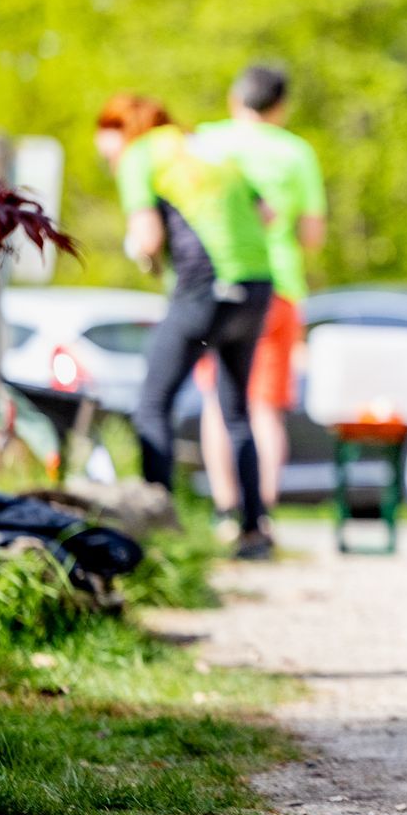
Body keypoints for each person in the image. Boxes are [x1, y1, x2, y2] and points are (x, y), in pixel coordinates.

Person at [93, 93, 275, 559]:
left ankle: (158, 535)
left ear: (124, 133)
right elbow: (266, 212)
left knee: (152, 404)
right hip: (255, 288)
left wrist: (147, 256)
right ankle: (255, 530)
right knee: (236, 411)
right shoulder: (204, 143)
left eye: (107, 153)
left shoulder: (140, 155)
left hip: (204, 287)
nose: (109, 163)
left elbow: (148, 236)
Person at [190, 65, 326, 545]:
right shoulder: (296, 153)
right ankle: (259, 516)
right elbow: (311, 234)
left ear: (234, 99)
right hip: (279, 287)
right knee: (265, 408)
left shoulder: (205, 143)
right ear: (281, 106)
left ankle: (226, 510)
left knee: (217, 403)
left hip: (216, 282)